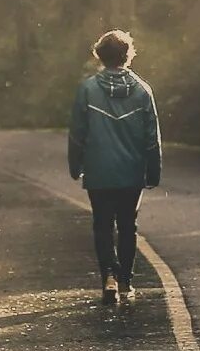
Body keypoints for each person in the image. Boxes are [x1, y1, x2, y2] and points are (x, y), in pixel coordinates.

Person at [66, 28, 160, 306]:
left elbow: (77, 134)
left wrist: (75, 165)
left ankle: (108, 276)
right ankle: (126, 281)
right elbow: (151, 137)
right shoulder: (143, 91)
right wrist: (153, 171)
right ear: (128, 55)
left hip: (99, 171)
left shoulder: (87, 90)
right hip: (131, 171)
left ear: (99, 56)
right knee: (128, 225)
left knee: (103, 225)